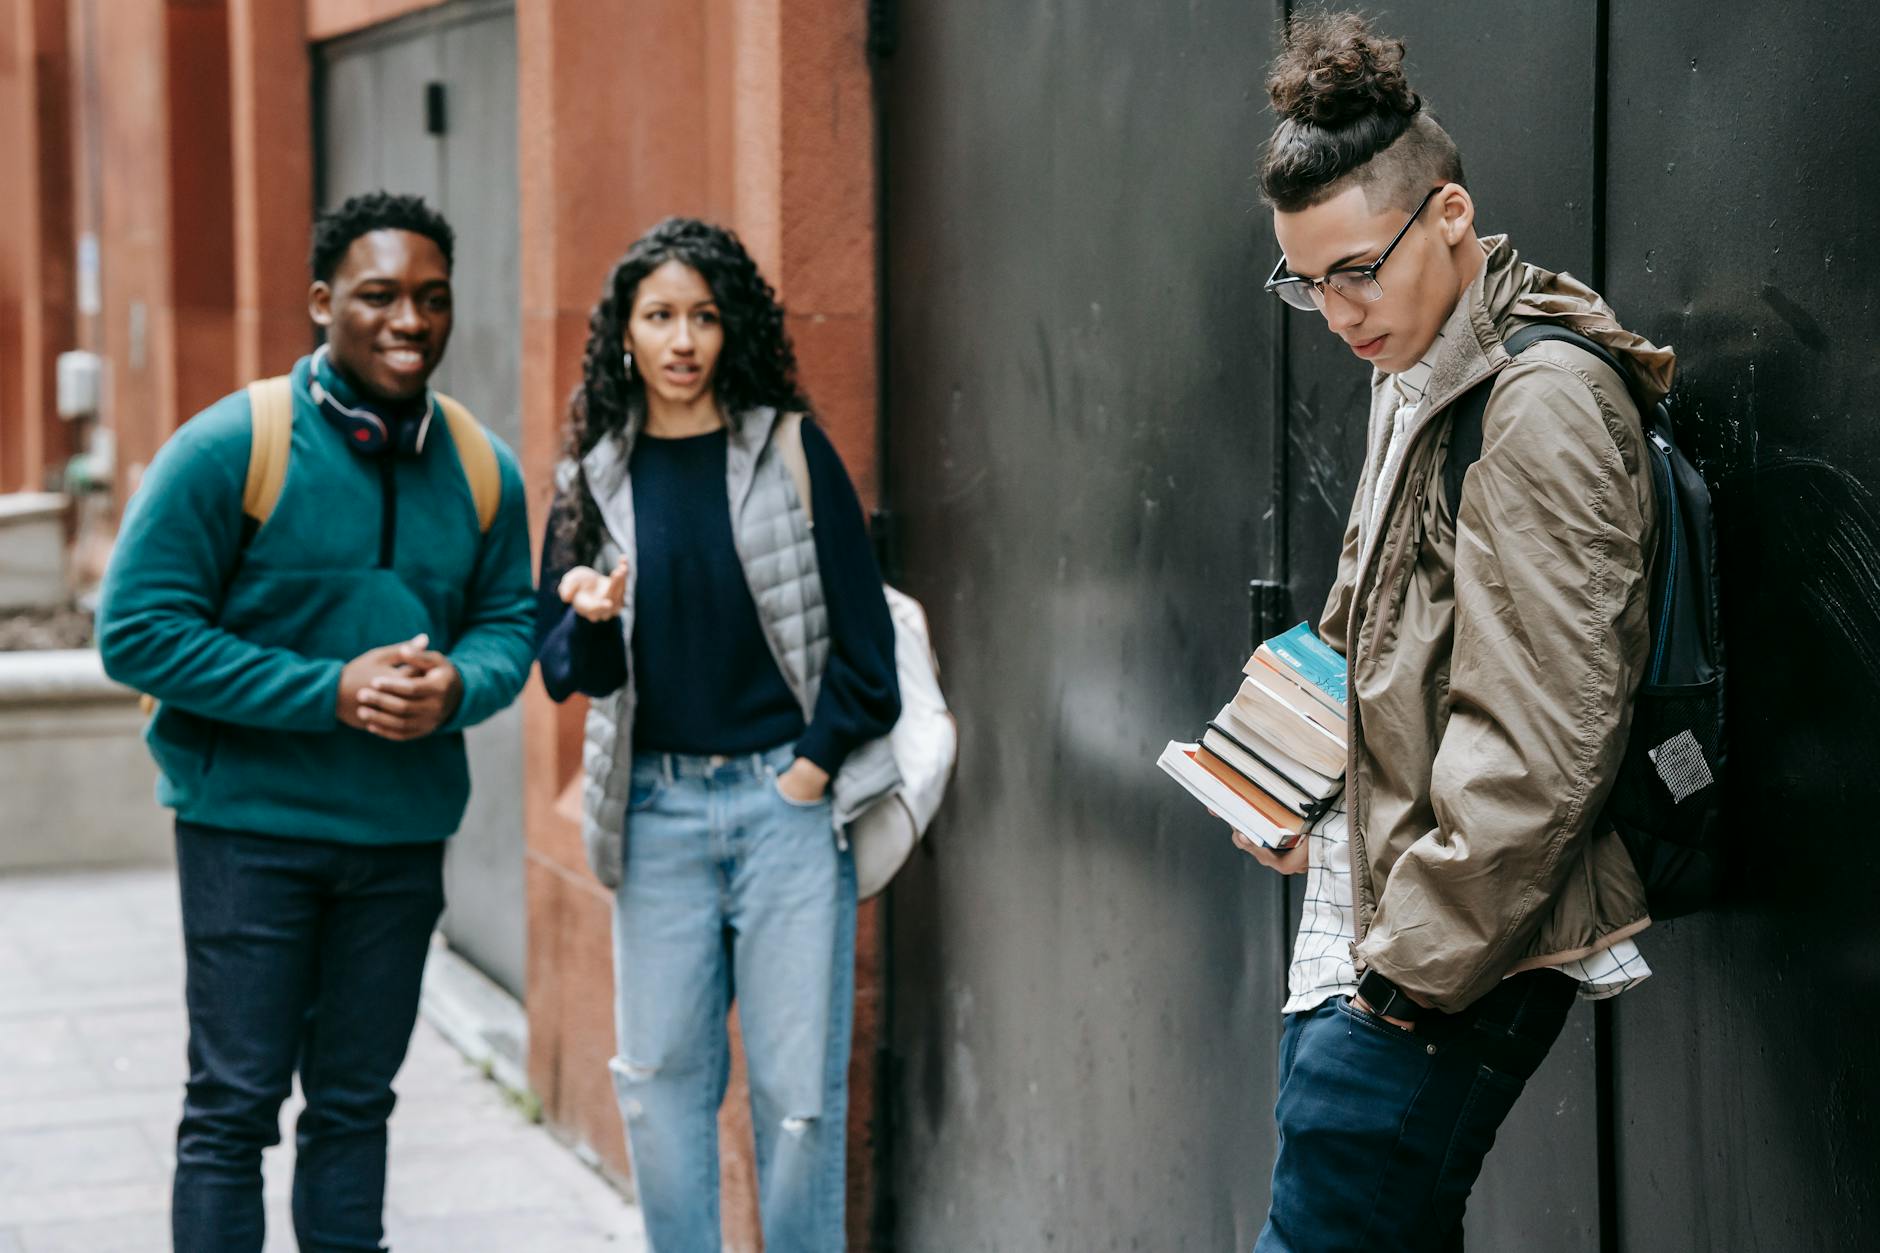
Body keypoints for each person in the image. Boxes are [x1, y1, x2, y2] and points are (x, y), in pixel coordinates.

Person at [1234, 14, 1677, 1251]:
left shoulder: (1537, 404)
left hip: (1437, 954)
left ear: (1446, 215)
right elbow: (1373, 628)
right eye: (1304, 280)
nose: (1334, 312)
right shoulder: (1418, 372)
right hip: (1374, 913)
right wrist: (1288, 774)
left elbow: (1541, 742)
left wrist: (1399, 976)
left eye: (1355, 270)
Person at [97, 191, 536, 1252]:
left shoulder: (481, 465)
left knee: (355, 1106)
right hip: (251, 834)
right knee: (232, 1110)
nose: (410, 320)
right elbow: (137, 632)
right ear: (320, 301)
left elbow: (508, 621)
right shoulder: (228, 446)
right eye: (379, 295)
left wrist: (462, 686)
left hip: (397, 839)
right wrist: (329, 689)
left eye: (432, 299)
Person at [535, 216, 901, 1251]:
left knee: (795, 1101)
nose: (682, 339)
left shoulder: (787, 448)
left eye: (702, 315)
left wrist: (807, 769)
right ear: (626, 335)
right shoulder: (592, 476)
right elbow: (562, 662)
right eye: (659, 316)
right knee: (656, 1087)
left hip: (783, 812)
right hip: (652, 812)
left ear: (730, 328)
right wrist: (592, 618)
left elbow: (864, 650)